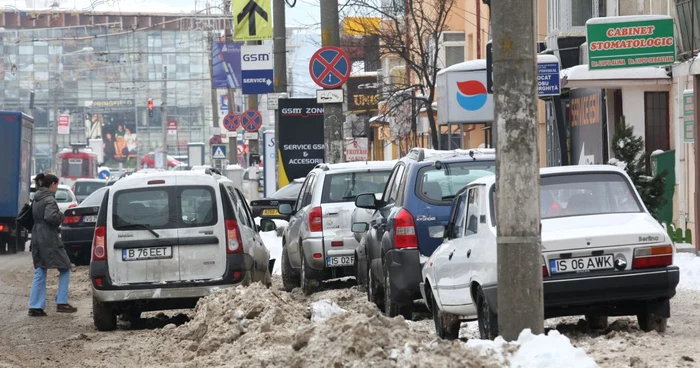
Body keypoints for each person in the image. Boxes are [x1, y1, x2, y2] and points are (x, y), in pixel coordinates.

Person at [28, 173, 77, 317]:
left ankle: (35, 306)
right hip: (48, 237)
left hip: (37, 235)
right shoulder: (49, 199)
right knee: (65, 267)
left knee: (41, 269)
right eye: (57, 185)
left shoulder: (37, 198)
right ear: (53, 184)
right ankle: (62, 302)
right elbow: (51, 217)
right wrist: (61, 215)